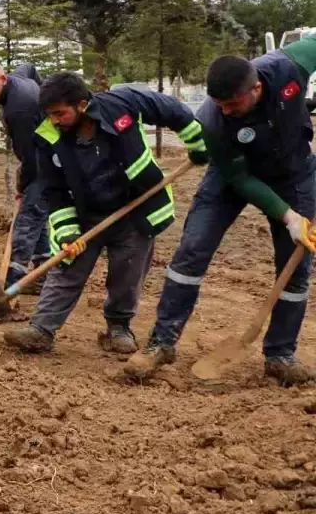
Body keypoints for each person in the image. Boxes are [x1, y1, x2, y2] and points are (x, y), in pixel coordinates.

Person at [127, 40, 316, 385]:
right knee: (191, 251)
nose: (226, 111)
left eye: (232, 103)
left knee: (296, 266)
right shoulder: (212, 121)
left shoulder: (290, 65)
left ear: (256, 87)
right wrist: (288, 216)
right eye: (220, 105)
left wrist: (296, 211)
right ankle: (161, 343)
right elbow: (240, 179)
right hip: (232, 178)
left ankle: (280, 355)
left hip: (295, 175)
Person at [3, 73, 208, 355]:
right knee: (67, 269)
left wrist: (196, 142)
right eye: (49, 114)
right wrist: (68, 233)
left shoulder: (121, 104)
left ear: (82, 104)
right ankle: (41, 329)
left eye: (60, 113)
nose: (54, 120)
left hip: (135, 210)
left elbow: (169, 110)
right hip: (86, 214)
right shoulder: (48, 137)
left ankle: (118, 328)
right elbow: (54, 191)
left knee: (128, 272)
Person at [0, 58, 50, 293]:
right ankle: (44, 275)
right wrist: (46, 101)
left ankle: (12, 284)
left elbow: (30, 160)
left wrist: (21, 186)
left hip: (44, 164)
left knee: (26, 222)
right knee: (37, 220)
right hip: (42, 157)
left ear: (3, 79)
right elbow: (30, 66)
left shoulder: (19, 110)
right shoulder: (20, 77)